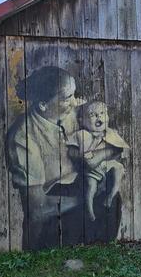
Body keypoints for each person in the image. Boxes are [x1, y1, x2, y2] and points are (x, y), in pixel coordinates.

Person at [6, 66, 84, 249]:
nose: (74, 103)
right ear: (43, 104)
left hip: (75, 198)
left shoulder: (69, 114)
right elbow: (38, 207)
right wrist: (88, 198)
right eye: (66, 98)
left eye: (74, 95)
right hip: (48, 229)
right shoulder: (22, 137)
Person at [67, 101, 129, 222]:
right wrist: (96, 142)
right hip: (91, 170)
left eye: (102, 113)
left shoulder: (110, 133)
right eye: (92, 115)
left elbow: (121, 148)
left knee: (119, 168)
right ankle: (90, 211)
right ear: (81, 120)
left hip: (107, 164)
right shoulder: (82, 134)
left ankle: (111, 196)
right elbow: (81, 154)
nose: (99, 117)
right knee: (91, 186)